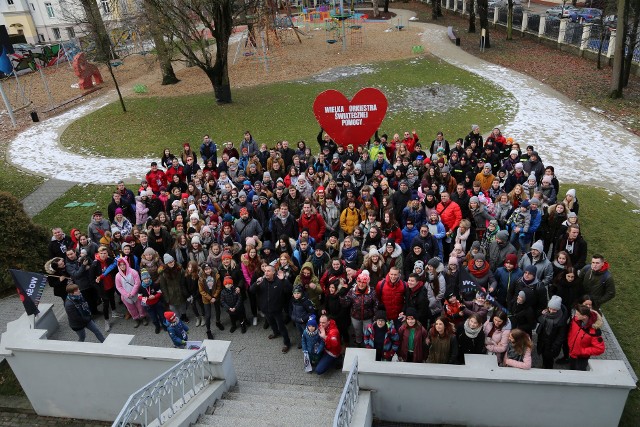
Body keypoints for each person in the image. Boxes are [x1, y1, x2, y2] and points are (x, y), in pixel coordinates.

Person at [250, 264, 292, 353]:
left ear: (273, 272)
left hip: (277, 310)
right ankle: (275, 333)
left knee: (281, 327)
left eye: (268, 271)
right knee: (271, 323)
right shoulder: (261, 281)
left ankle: (287, 343)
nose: (266, 272)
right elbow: (251, 290)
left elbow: (289, 290)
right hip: (265, 309)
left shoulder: (279, 281)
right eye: (265, 271)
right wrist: (256, 283)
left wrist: (284, 280)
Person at [341, 270, 378, 346]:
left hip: (368, 317)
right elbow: (347, 303)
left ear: (367, 283)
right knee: (357, 331)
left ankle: (366, 343)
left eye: (363, 282)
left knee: (367, 331)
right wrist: (341, 296)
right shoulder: (352, 291)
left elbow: (376, 304)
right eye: (359, 282)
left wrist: (375, 316)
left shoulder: (372, 292)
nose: (361, 284)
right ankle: (358, 342)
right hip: (355, 316)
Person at [567, 304, 605, 370]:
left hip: (581, 357)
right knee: (572, 369)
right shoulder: (576, 320)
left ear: (584, 316)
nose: (575, 315)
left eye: (578, 314)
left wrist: (582, 351)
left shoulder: (594, 332)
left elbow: (600, 349)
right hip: (572, 353)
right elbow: (571, 330)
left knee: (580, 372)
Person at [536, 295, 568, 369]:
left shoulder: (561, 320)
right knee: (544, 356)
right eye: (550, 308)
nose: (551, 311)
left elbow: (561, 336)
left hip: (551, 345)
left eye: (554, 309)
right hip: (543, 341)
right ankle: (544, 366)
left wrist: (554, 347)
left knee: (549, 360)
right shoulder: (546, 313)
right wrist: (541, 314)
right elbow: (539, 321)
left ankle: (549, 370)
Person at [115, 258, 146, 328]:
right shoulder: (117, 276)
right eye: (120, 265)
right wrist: (126, 294)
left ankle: (143, 317)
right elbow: (119, 287)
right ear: (118, 266)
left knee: (140, 306)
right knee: (131, 308)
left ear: (126, 264)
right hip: (126, 296)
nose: (122, 266)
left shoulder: (133, 272)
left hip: (136, 293)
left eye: (124, 264)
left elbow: (137, 283)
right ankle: (136, 318)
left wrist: (132, 293)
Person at [138, 269, 165, 334]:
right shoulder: (141, 287)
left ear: (149, 278)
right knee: (154, 318)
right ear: (142, 280)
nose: (146, 280)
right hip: (148, 305)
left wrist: (155, 296)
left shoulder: (154, 284)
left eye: (147, 278)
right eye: (144, 279)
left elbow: (160, 293)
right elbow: (139, 296)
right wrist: (145, 298)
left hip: (157, 303)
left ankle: (164, 326)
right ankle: (157, 326)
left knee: (161, 315)